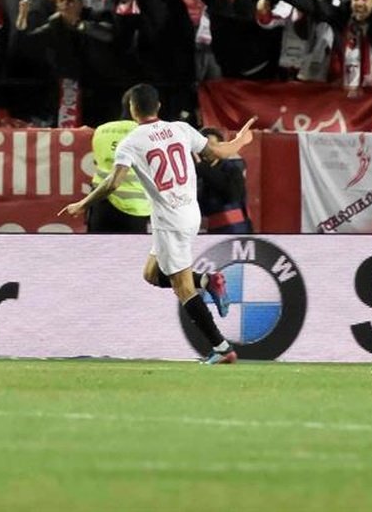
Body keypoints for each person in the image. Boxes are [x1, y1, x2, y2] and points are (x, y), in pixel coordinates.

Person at [59, 83, 256, 365]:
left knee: (183, 289)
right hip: (190, 214)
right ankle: (208, 280)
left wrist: (83, 203)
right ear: (159, 106)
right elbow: (219, 152)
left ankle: (222, 348)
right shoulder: (181, 129)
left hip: (170, 220)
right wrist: (242, 141)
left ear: (132, 109)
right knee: (151, 274)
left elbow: (113, 182)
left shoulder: (132, 142)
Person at [87, 90, 151, 233]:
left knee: (96, 253)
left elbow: (98, 162)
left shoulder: (101, 130)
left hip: (100, 205)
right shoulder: (148, 133)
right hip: (135, 209)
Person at [196, 127, 253, 234]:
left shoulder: (233, 169)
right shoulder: (194, 171)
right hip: (209, 232)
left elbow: (233, 196)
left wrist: (205, 170)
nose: (209, 149)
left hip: (235, 230)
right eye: (204, 146)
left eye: (213, 144)